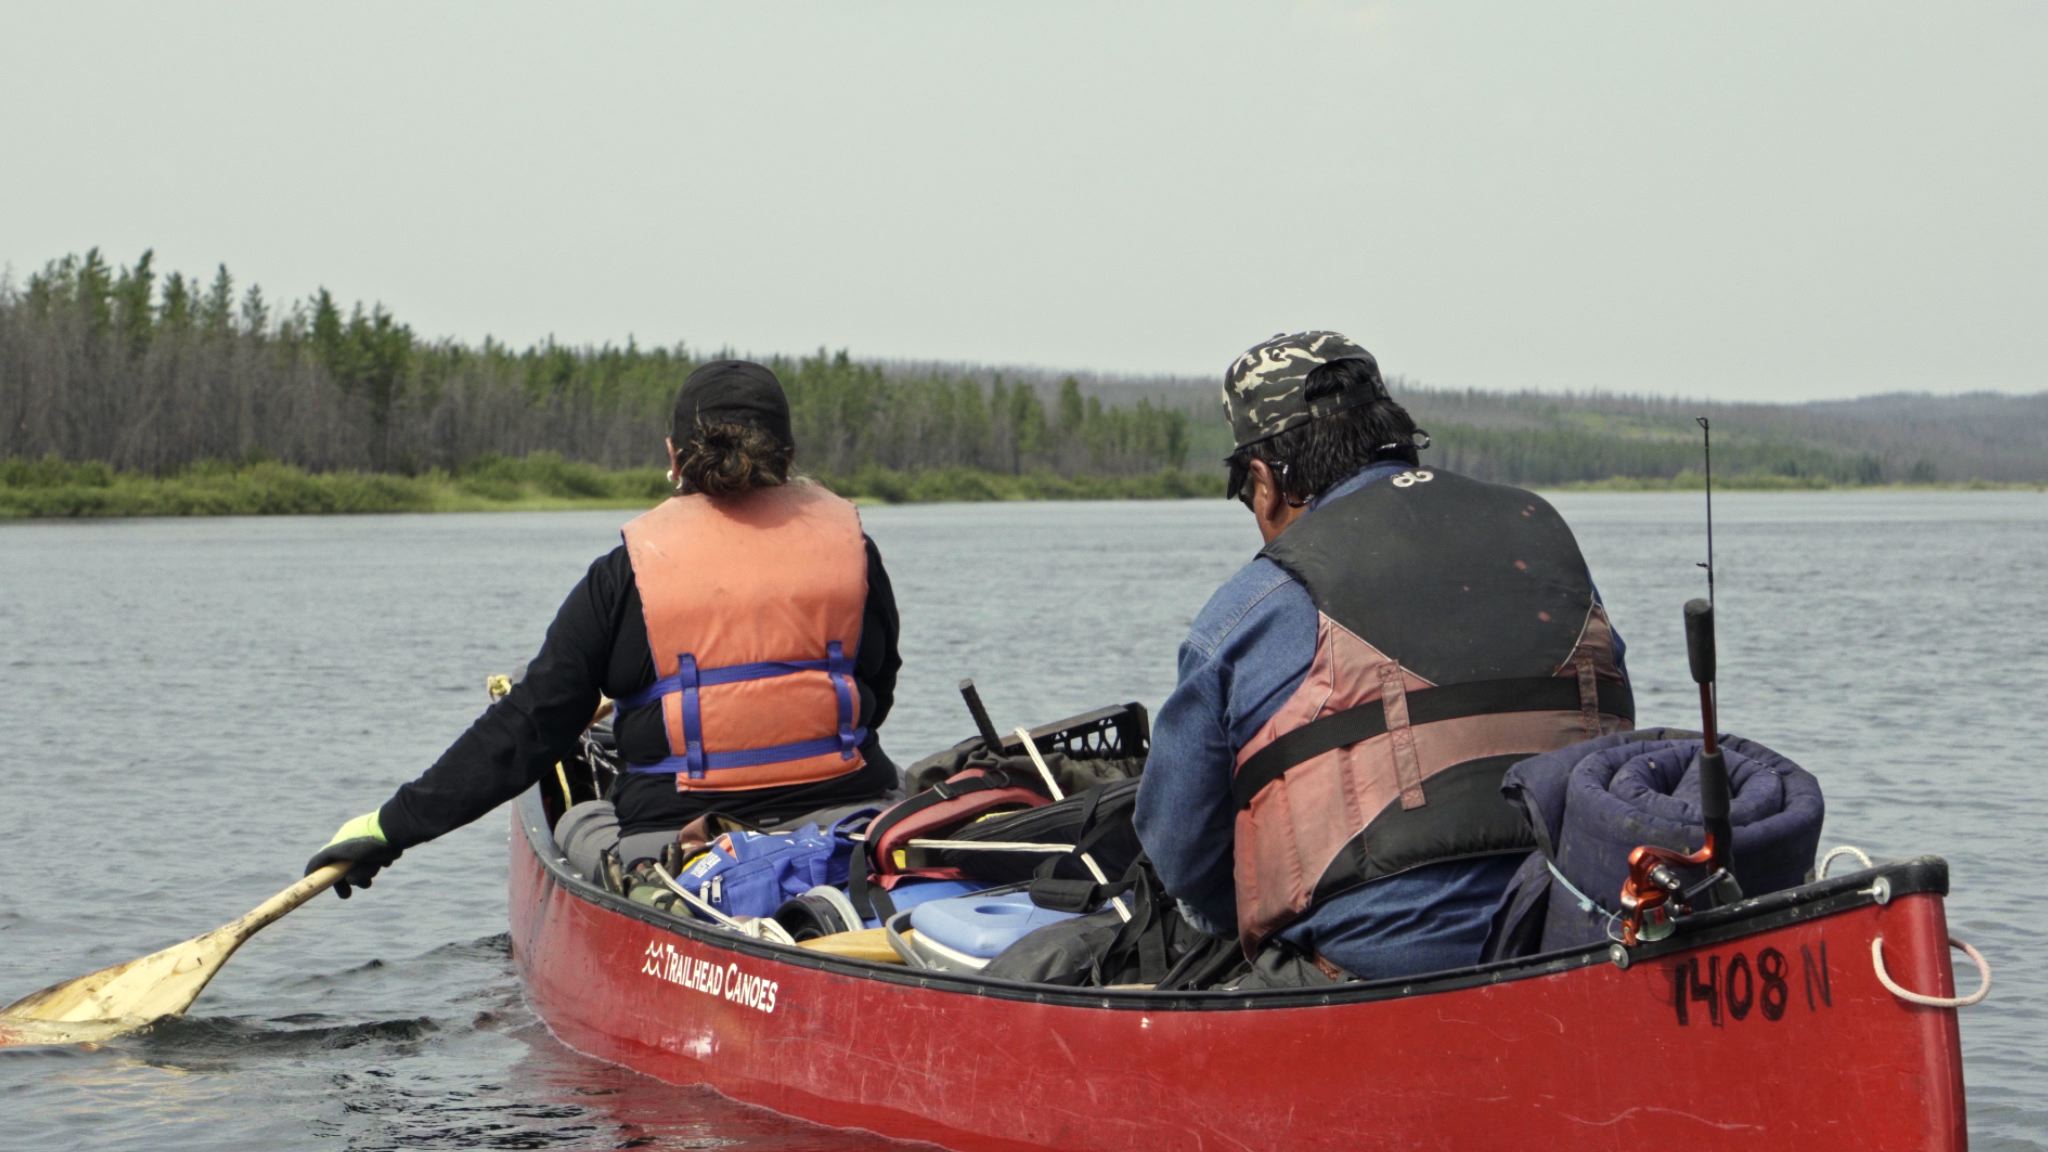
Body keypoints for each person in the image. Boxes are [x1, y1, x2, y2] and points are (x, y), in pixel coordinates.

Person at [1133, 331, 1632, 986]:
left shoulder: (1255, 604)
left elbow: (1180, 854)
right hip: (1578, 938)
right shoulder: (1542, 532)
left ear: (1264, 480)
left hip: (1376, 971)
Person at [307, 359, 904, 896]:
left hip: (679, 836)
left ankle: (653, 889)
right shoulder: (854, 552)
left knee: (578, 820)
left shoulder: (625, 576)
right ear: (789, 455)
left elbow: (527, 729)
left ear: (674, 457)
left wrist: (390, 826)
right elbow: (876, 695)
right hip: (852, 815)